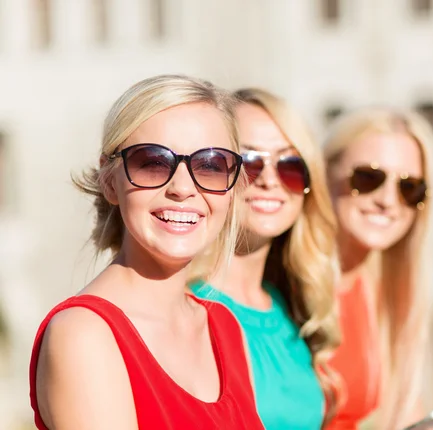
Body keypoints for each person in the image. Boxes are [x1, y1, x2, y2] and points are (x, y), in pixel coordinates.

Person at [29, 74, 264, 430]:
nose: (183, 188)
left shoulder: (225, 326)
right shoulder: (84, 335)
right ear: (110, 181)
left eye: (211, 165)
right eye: (152, 162)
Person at [190, 88, 340, 429]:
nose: (271, 180)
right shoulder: (185, 307)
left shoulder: (291, 308)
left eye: (291, 165)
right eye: (248, 163)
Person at [323, 107, 433, 429]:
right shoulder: (282, 286)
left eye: (409, 188)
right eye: (368, 178)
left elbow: (408, 415)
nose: (388, 200)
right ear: (325, 174)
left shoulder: (377, 296)